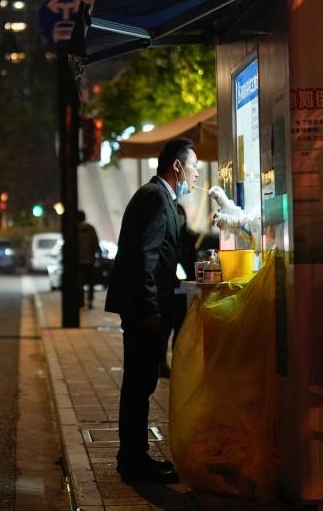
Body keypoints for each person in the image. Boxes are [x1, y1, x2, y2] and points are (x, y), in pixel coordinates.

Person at [105, 137, 199, 484]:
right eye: (193, 168)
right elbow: (144, 258)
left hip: (147, 306)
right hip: (146, 309)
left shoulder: (156, 197)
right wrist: (149, 309)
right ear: (177, 167)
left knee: (140, 383)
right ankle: (133, 459)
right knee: (139, 383)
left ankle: (133, 456)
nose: (196, 177)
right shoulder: (157, 199)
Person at [158, 203, 195, 379]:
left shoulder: (189, 237)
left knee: (180, 329)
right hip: (168, 289)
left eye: (181, 213)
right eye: (176, 213)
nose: (179, 217)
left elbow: (192, 261)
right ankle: (161, 364)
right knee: (164, 329)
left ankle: (178, 364)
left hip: (183, 290)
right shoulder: (164, 236)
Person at [77, 210, 100, 308]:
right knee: (91, 282)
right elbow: (96, 243)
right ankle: (90, 301)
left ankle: (81, 302)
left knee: (79, 282)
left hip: (79, 261)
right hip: (90, 260)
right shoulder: (91, 229)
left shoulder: (74, 230)